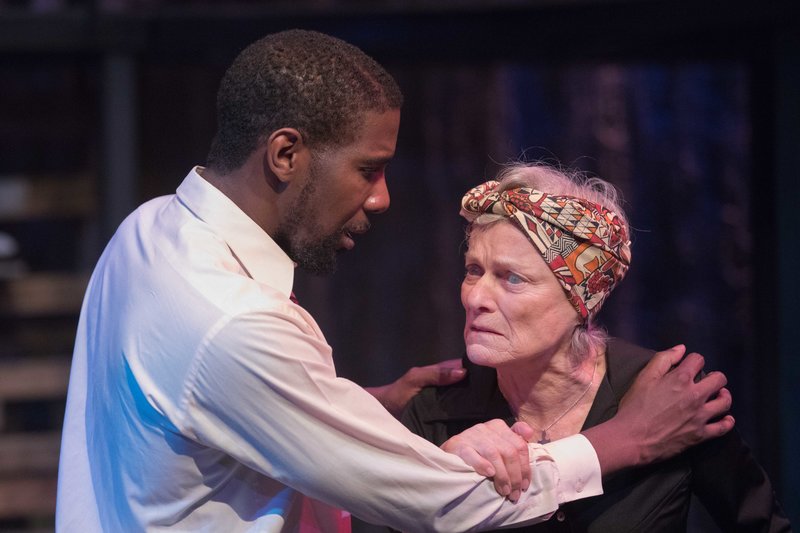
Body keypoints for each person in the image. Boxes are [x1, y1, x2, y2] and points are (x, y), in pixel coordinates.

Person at [56, 30, 734, 532]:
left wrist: (340, 404)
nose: (381, 199)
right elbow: (441, 502)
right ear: (287, 153)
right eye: (368, 168)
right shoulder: (239, 325)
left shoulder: (148, 231)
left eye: (512, 277)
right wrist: (624, 442)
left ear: (584, 293)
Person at [401, 162, 790, 531]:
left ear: (582, 300)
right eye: (474, 271)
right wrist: (445, 478)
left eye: (512, 278)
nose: (475, 298)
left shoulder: (670, 398)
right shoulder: (435, 415)